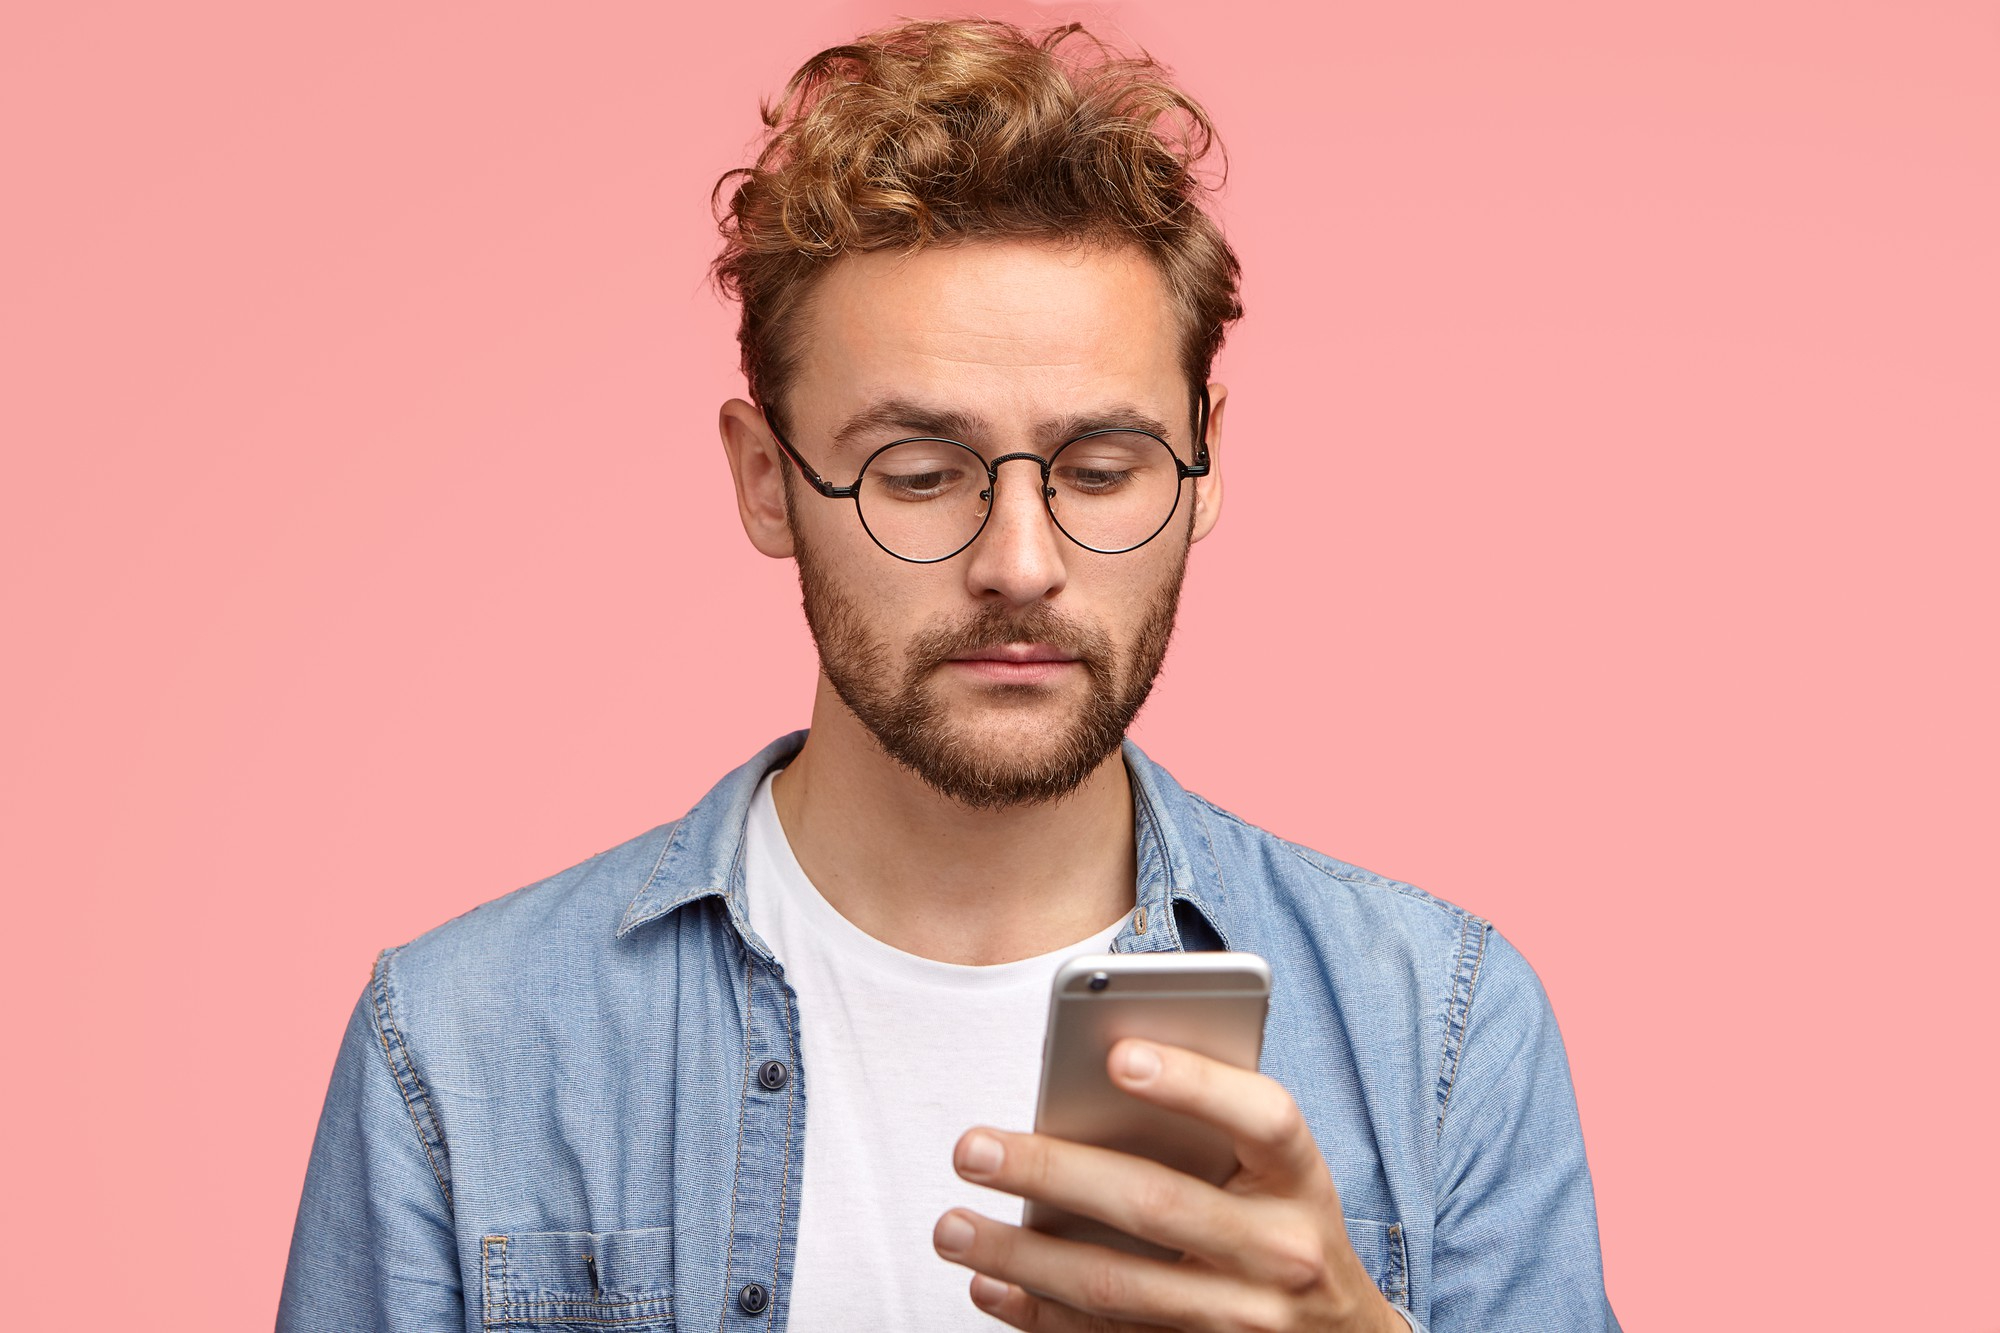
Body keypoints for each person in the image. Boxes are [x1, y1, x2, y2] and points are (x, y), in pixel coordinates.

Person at [278, 19, 1617, 1332]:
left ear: (1204, 467)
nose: (1021, 562)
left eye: (1101, 469)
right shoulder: (460, 1045)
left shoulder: (1436, 1028)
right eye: (920, 474)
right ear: (763, 479)